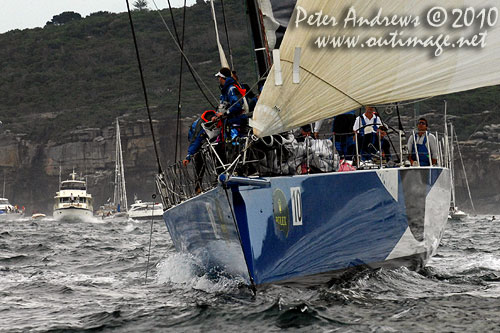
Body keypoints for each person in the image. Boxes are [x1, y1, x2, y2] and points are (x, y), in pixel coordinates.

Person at [183, 110, 217, 193]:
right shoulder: (201, 126)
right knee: (199, 159)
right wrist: (189, 156)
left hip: (213, 140)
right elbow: (195, 141)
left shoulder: (220, 118)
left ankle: (218, 177)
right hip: (199, 141)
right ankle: (198, 186)